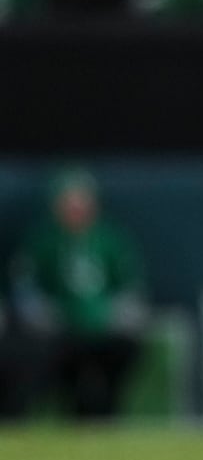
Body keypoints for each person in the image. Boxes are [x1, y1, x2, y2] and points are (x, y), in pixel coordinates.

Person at [8, 168, 147, 420]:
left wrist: (115, 316)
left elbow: (130, 286)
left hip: (104, 328)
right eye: (69, 204)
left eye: (81, 203)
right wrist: (48, 317)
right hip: (60, 332)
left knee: (123, 351)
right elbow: (26, 289)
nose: (76, 211)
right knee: (37, 355)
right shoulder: (43, 241)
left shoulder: (110, 239)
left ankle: (108, 414)